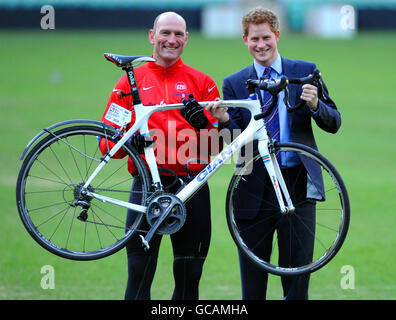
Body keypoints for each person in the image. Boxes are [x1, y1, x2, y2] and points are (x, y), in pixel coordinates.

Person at [100, 12, 228, 300]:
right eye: (165, 33)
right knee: (138, 279)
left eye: (179, 34)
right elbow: (106, 147)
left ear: (186, 39)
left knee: (188, 283)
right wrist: (127, 140)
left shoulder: (203, 82)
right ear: (151, 36)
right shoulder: (127, 85)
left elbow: (219, 149)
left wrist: (205, 125)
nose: (172, 40)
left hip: (192, 188)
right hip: (146, 188)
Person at [222, 7, 341, 300]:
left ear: (277, 35)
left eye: (266, 38)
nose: (260, 45)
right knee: (252, 287)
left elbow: (334, 121)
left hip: (297, 186)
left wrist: (316, 106)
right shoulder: (234, 83)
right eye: (254, 39)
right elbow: (233, 141)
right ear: (244, 40)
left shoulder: (304, 71)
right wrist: (225, 121)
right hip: (253, 188)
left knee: (297, 283)